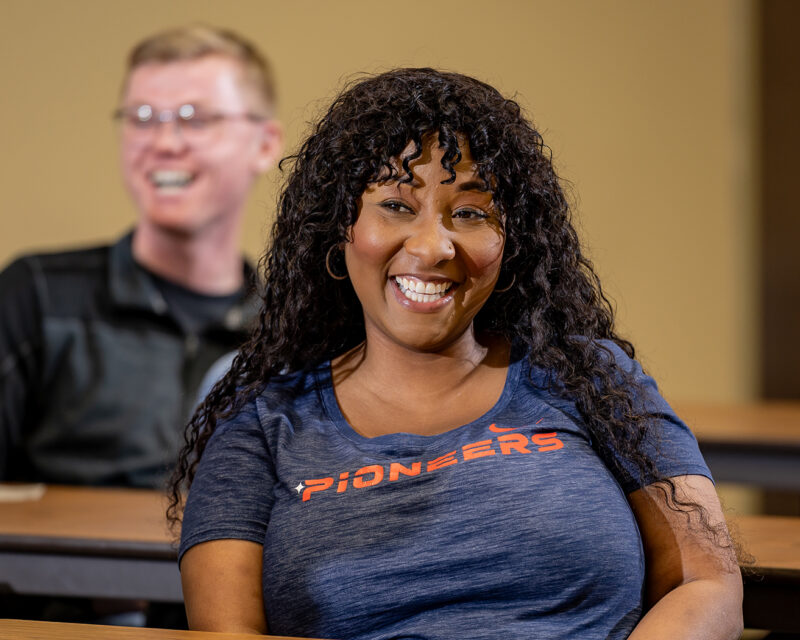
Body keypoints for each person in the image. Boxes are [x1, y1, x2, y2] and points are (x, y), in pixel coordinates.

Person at [172, 68, 743, 639]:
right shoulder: (260, 424)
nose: (431, 246)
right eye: (396, 205)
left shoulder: (587, 378)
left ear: (511, 241)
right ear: (337, 227)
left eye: (470, 213)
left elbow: (706, 585)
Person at [0, 25, 282, 489]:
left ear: (265, 144)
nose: (165, 142)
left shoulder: (292, 335)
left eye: (195, 118)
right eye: (143, 117)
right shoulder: (35, 299)